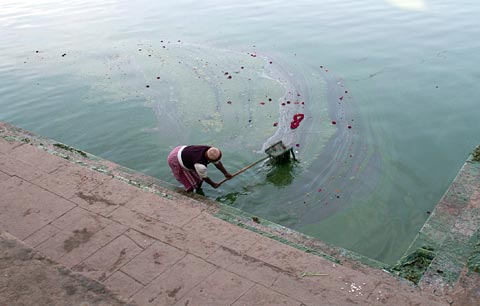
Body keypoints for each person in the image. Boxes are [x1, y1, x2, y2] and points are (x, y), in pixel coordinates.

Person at [167, 145, 232, 192]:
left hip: (180, 150)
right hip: (175, 159)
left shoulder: (210, 150)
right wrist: (213, 184)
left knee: (199, 179)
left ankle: (198, 188)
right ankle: (190, 193)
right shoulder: (201, 166)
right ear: (209, 160)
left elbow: (217, 162)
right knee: (191, 183)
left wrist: (226, 173)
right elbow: (204, 177)